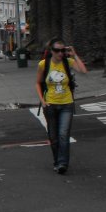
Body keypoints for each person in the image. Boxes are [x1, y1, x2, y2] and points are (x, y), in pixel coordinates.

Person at [35, 37, 87, 174]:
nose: (59, 53)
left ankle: (62, 164)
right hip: (50, 105)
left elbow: (83, 71)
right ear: (51, 51)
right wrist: (42, 101)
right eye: (57, 50)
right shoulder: (43, 64)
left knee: (63, 134)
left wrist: (74, 54)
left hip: (66, 104)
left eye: (62, 50)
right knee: (53, 137)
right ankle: (57, 161)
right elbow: (38, 83)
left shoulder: (68, 62)